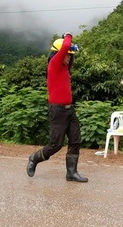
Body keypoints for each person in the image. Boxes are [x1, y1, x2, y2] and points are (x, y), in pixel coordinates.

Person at [26, 33, 88, 182]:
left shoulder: (65, 68)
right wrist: (68, 36)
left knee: (75, 140)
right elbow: (65, 45)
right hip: (57, 110)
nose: (68, 57)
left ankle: (71, 173)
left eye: (70, 56)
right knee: (55, 145)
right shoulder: (54, 63)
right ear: (58, 54)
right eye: (66, 55)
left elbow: (67, 49)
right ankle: (34, 158)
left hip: (69, 109)